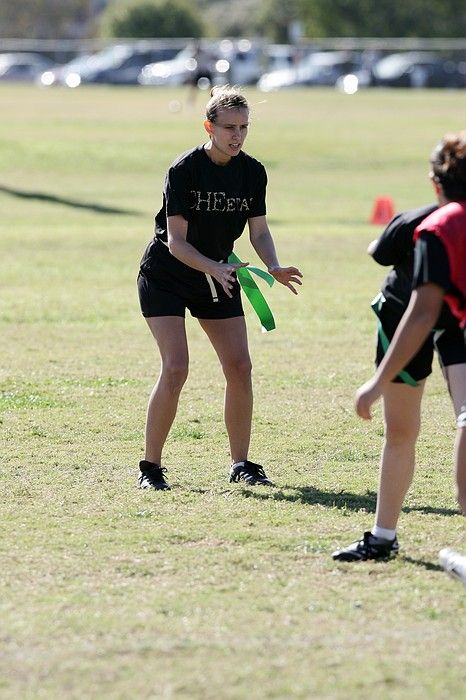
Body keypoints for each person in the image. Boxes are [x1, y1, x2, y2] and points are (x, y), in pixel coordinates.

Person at [136, 85, 303, 491]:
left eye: (244, 127)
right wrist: (214, 266)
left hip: (218, 274)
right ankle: (150, 468)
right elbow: (176, 242)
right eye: (229, 127)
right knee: (176, 368)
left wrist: (274, 265)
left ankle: (241, 463)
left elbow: (258, 231)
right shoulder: (184, 169)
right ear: (208, 125)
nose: (237, 135)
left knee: (240, 367)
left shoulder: (252, 172)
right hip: (167, 275)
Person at [333, 131, 466, 562]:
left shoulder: (435, 224)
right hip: (403, 315)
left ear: (435, 182)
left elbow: (377, 250)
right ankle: (383, 537)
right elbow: (418, 307)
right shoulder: (426, 227)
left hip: (454, 318)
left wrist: (375, 382)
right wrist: (380, 380)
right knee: (403, 429)